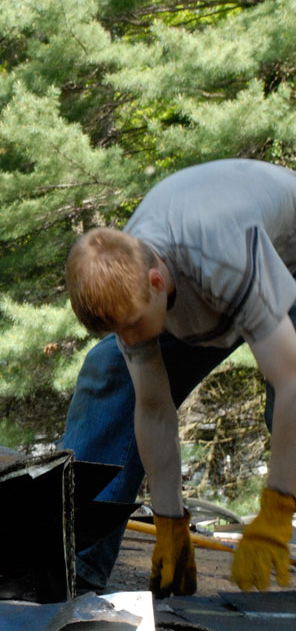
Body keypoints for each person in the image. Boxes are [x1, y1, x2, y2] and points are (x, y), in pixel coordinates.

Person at [63, 158, 296, 596]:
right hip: (210, 285)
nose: (128, 337)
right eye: (119, 328)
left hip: (284, 260)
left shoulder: (222, 258)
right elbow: (153, 408)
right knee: (110, 368)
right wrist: (170, 523)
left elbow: (293, 384)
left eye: (130, 325)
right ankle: (76, 559)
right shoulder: (130, 281)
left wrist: (277, 509)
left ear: (156, 281)